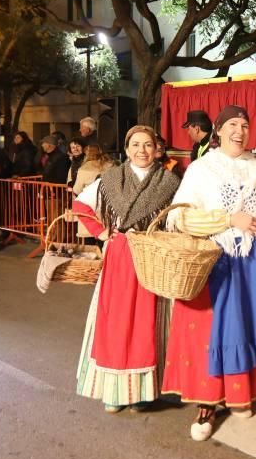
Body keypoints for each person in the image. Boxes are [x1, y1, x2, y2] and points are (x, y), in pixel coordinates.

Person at [162, 105, 256, 441]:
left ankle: (239, 394)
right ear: (217, 130)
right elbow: (179, 218)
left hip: (251, 262)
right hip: (213, 261)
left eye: (246, 125)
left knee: (246, 328)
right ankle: (206, 404)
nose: (240, 130)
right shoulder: (202, 169)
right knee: (208, 334)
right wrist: (228, 220)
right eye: (233, 124)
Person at [72, 125, 181, 413]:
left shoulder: (170, 182)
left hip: (152, 254)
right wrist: (102, 232)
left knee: (150, 322)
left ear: (156, 148)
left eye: (147, 144)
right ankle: (115, 391)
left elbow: (179, 217)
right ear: (127, 148)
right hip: (120, 256)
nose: (142, 150)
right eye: (136, 144)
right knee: (116, 321)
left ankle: (145, 390)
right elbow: (81, 205)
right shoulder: (110, 179)